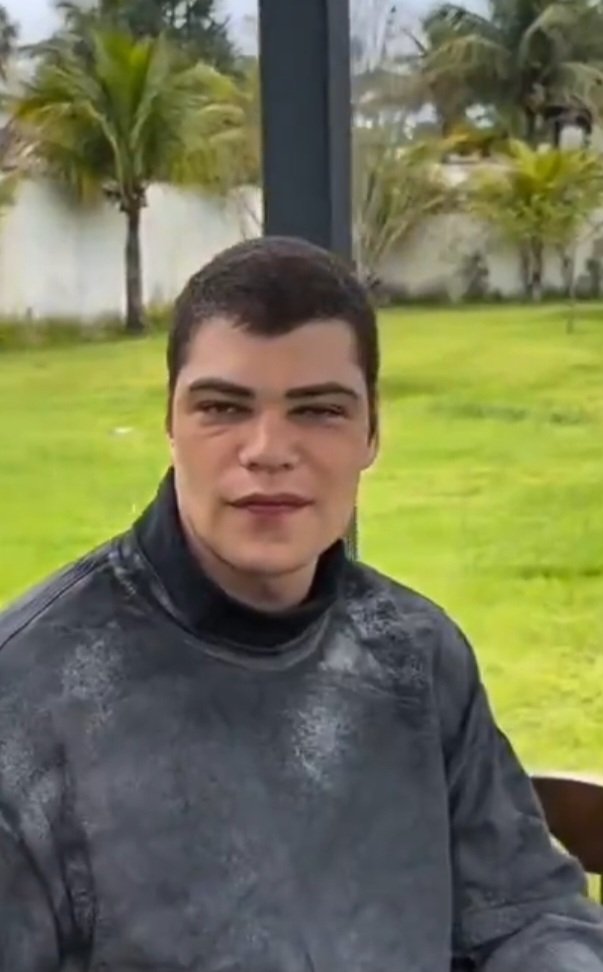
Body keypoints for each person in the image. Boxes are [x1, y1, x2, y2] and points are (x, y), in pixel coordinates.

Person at [0, 237, 601, 972]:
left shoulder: (415, 654)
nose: (267, 450)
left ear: (372, 433)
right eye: (223, 407)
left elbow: (525, 915)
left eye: (317, 411)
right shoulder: (25, 697)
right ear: (171, 424)